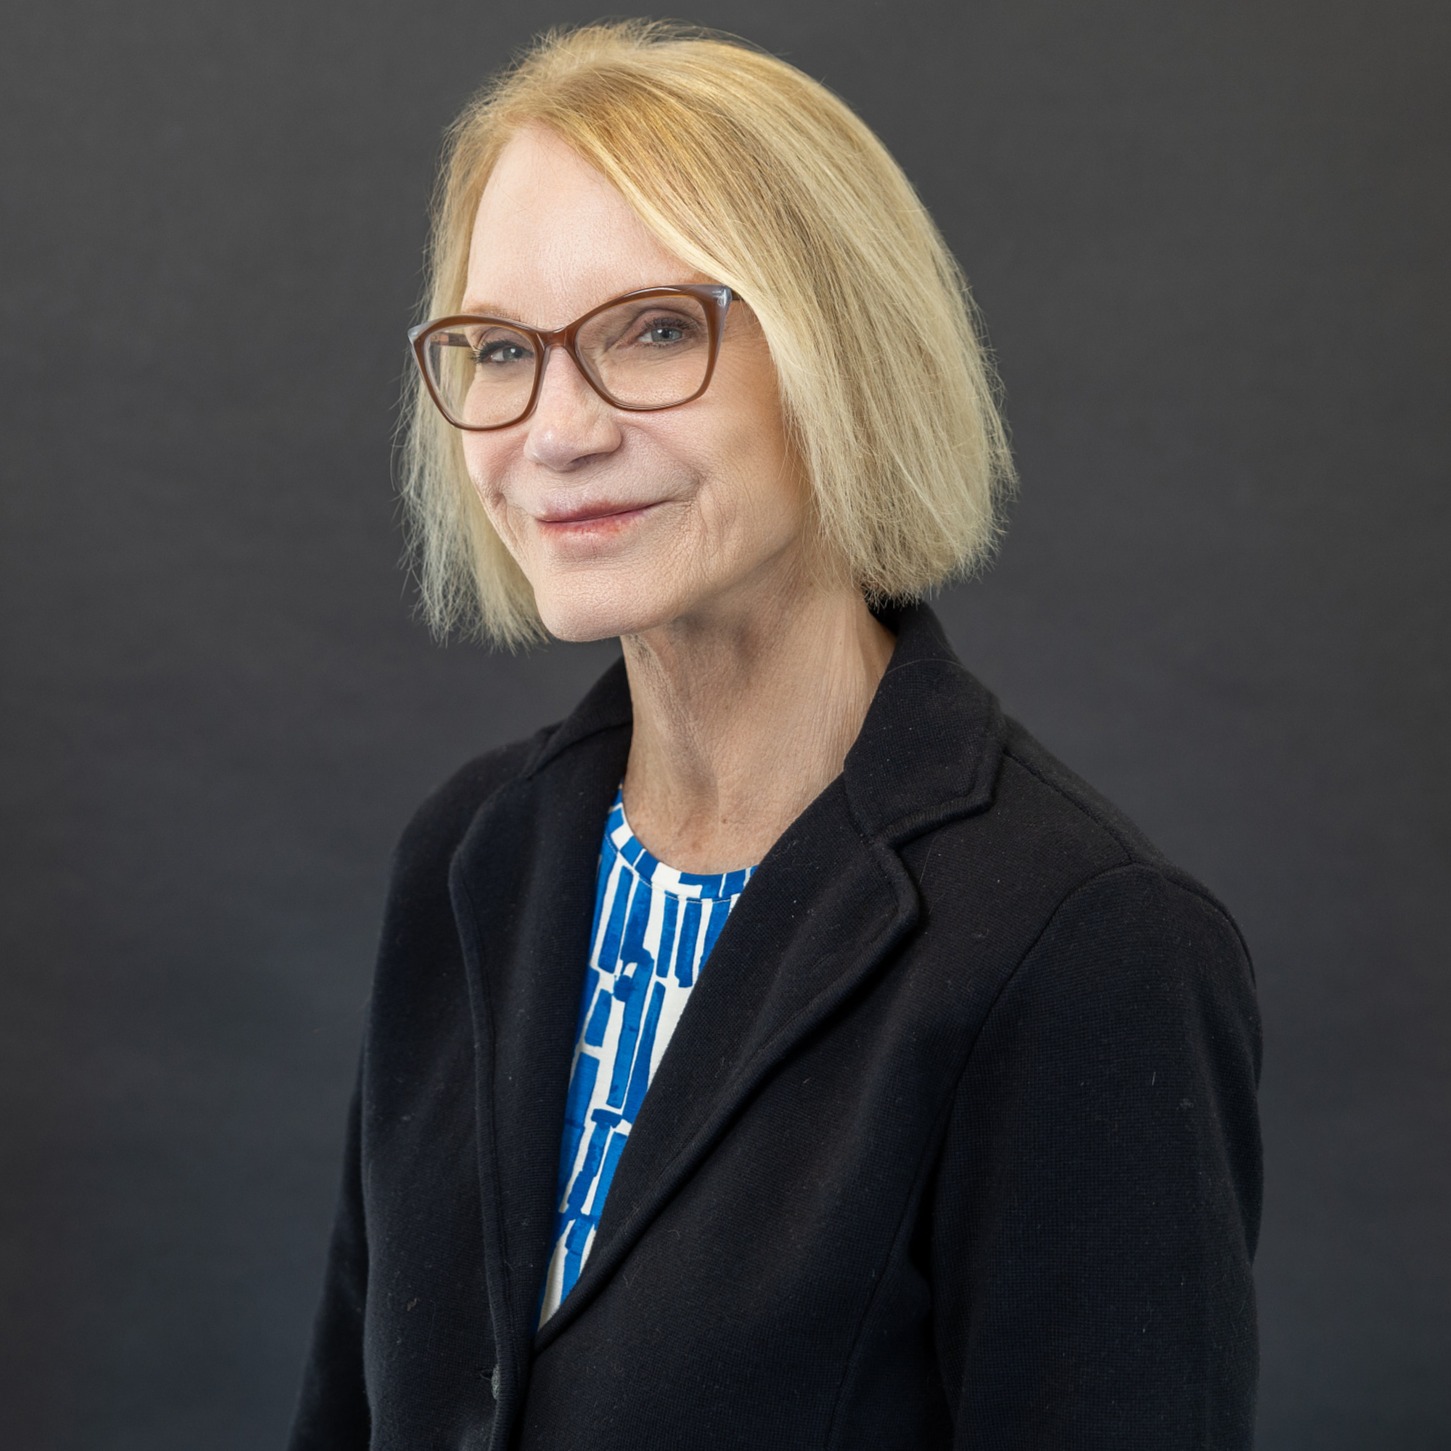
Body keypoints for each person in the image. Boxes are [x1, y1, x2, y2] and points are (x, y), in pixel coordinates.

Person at [286, 20, 1262, 1450]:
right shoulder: (469, 856)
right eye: (499, 350)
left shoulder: (1088, 944)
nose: (553, 431)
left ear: (840, 357)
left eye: (655, 330)